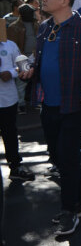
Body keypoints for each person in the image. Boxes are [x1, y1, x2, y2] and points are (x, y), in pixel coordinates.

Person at [20, 0, 81, 236]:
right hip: (49, 106)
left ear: (65, 0)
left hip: (74, 106)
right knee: (58, 158)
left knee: (68, 158)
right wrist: (30, 70)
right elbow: (40, 61)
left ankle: (69, 212)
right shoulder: (45, 28)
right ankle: (80, 203)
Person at [0, 25, 34, 181]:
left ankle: (15, 166)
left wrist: (12, 73)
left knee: (10, 133)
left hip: (8, 99)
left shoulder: (10, 45)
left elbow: (23, 66)